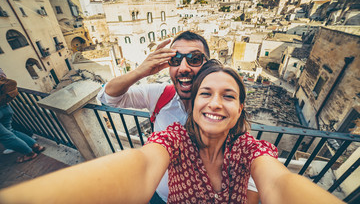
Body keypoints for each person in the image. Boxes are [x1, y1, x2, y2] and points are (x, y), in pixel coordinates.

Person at [0, 60, 343, 204]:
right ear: (193, 104)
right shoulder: (174, 139)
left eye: (229, 96)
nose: (215, 103)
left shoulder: (249, 149)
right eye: (205, 93)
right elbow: (142, 164)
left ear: (240, 110)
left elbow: (280, 184)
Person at [97, 31, 259, 203]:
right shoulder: (161, 96)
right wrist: (140, 71)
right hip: (160, 195)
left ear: (207, 66)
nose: (183, 68)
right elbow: (108, 97)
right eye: (175, 60)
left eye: (194, 59)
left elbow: (248, 167)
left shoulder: (222, 113)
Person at [0, 69, 45, 163]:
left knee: (5, 136)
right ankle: (35, 146)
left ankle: (29, 153)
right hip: (5, 105)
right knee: (10, 131)